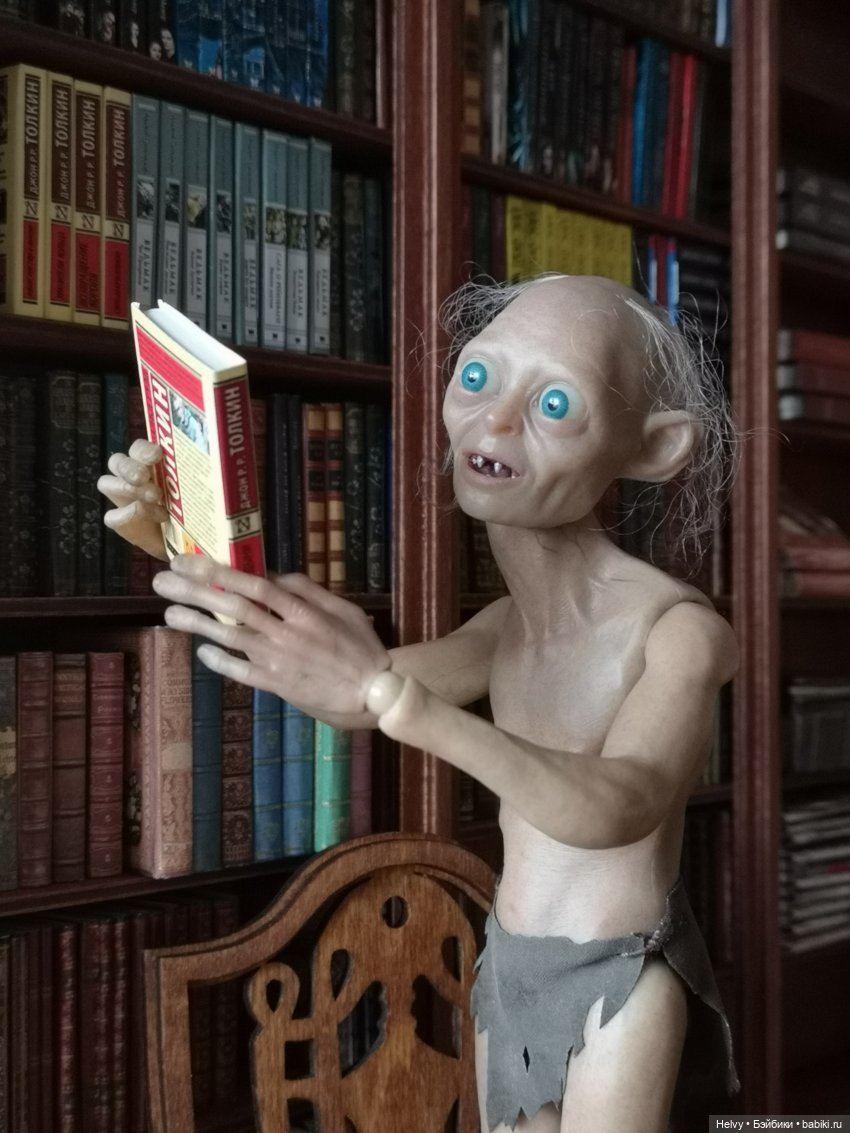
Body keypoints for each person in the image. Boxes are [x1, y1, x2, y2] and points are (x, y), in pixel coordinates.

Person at [98, 274, 739, 1132]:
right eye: (477, 377)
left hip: (619, 978)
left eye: (554, 403)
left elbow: (620, 802)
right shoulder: (504, 627)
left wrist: (402, 701)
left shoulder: (679, 631)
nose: (495, 423)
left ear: (655, 447)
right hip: (509, 967)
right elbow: (349, 692)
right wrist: (188, 542)